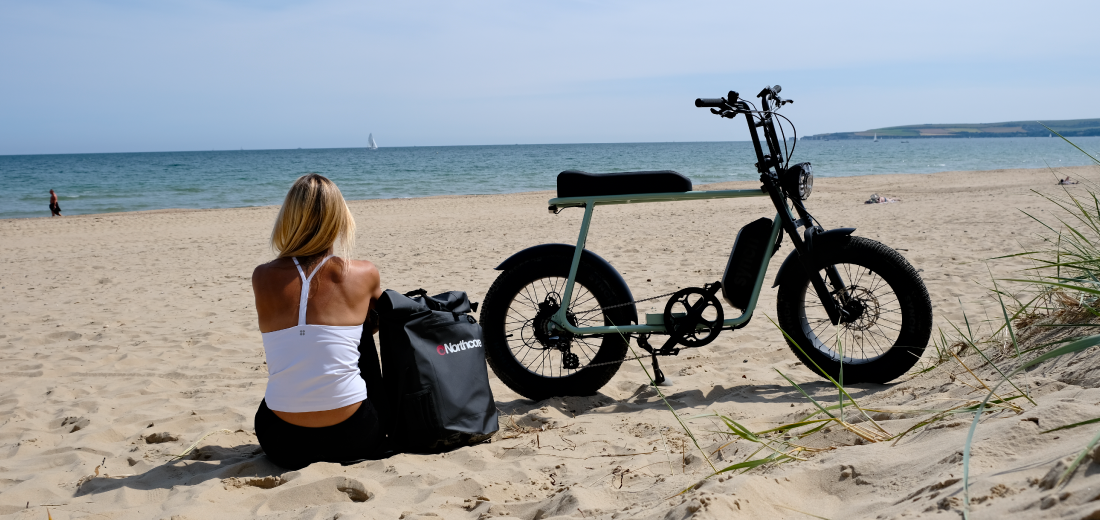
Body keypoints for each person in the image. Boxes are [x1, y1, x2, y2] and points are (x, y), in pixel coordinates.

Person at [251, 173, 385, 469]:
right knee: (359, 327)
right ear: (339, 219)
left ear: (288, 219)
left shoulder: (262, 276)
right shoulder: (364, 273)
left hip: (281, 442)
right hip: (355, 435)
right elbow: (378, 324)